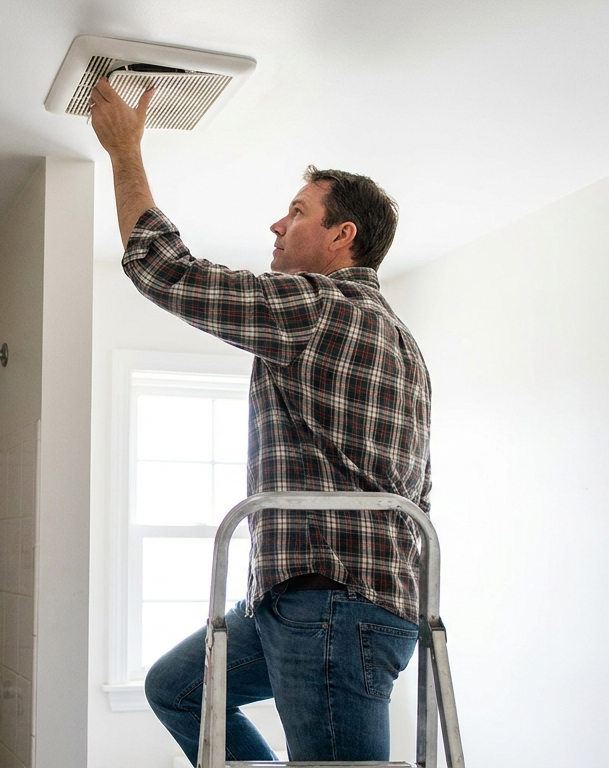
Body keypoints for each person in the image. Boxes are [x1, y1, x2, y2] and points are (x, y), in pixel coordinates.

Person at [88, 78, 433, 763]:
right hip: (321, 599)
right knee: (179, 687)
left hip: (332, 606)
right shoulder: (400, 338)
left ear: (342, 235)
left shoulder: (321, 307)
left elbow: (163, 269)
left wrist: (124, 151)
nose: (277, 225)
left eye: (296, 211)